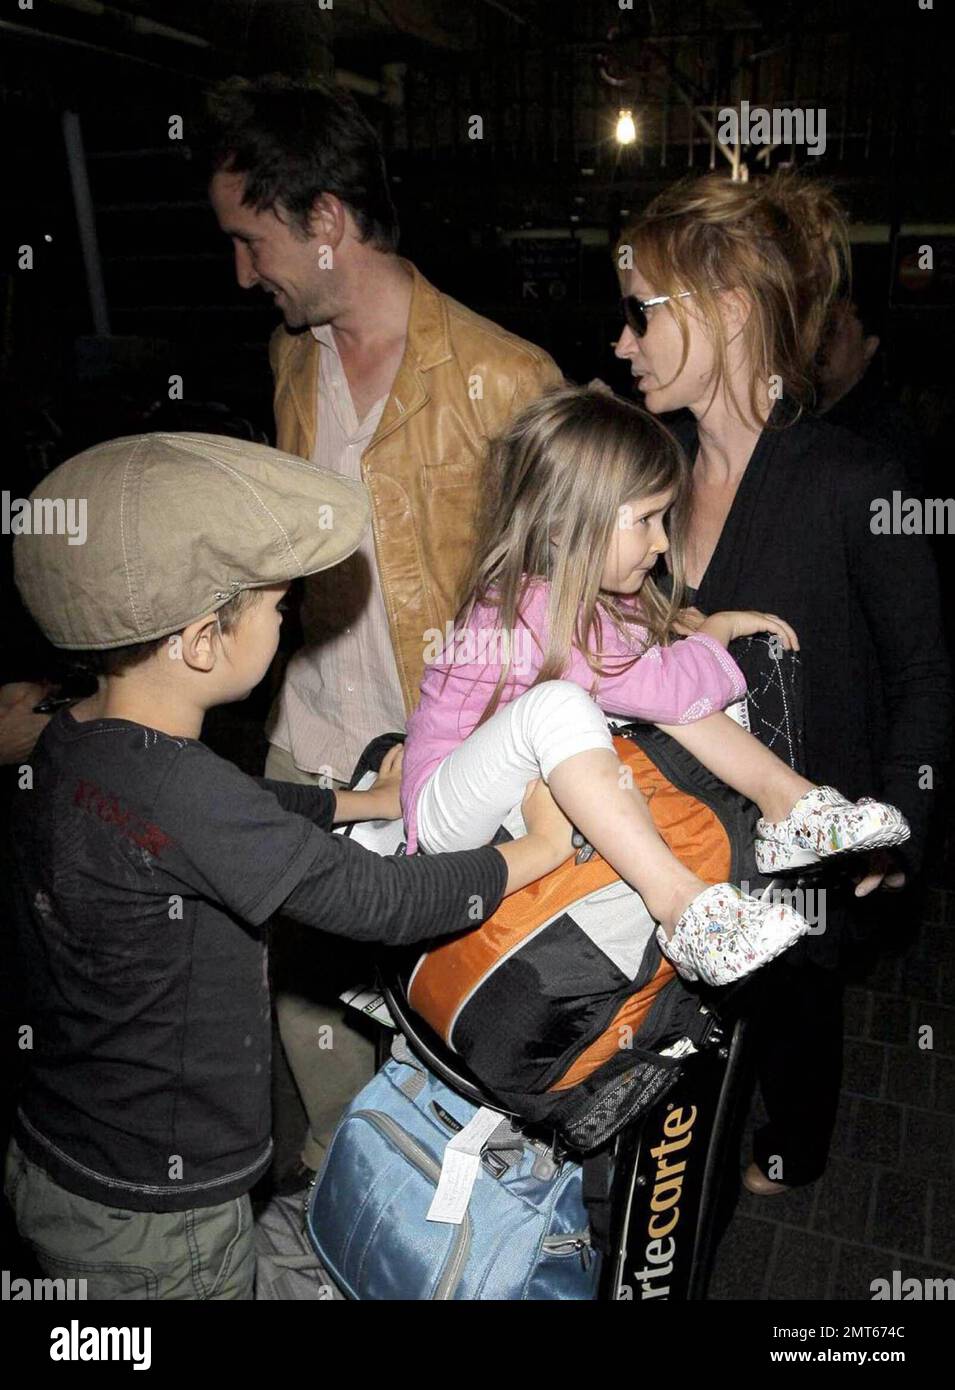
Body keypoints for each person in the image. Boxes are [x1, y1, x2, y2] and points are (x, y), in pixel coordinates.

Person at [4, 432, 572, 1300]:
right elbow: (375, 899)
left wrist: (363, 803)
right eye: (277, 608)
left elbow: (232, 811)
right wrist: (531, 850)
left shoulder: (79, 739)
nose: (288, 621)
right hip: (162, 1210)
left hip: (63, 1148)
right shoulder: (185, 792)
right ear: (202, 640)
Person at [206, 76, 563, 1184]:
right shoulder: (290, 360)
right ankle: (337, 1214)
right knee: (317, 1053)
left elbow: (572, 599)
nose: (240, 271)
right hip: (302, 755)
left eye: (250, 239)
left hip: (438, 776)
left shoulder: (505, 381)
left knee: (444, 1055)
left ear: (324, 221)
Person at [612, 171, 951, 1191]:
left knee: (797, 1011)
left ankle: (792, 1152)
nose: (620, 342)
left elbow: (925, 671)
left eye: (639, 312)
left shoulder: (854, 481)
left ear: (725, 308)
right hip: (682, 830)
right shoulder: (648, 471)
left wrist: (901, 825)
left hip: (798, 843)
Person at [400, 386, 910, 987]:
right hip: (443, 816)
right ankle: (678, 904)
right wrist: (714, 634)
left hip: (503, 799)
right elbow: (660, 685)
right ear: (566, 527)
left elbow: (667, 690)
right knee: (589, 703)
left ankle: (789, 806)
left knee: (672, 702)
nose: (663, 542)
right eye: (644, 519)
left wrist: (682, 642)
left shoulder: (576, 600)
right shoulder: (539, 611)